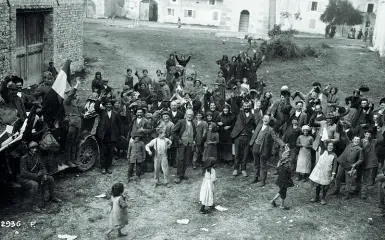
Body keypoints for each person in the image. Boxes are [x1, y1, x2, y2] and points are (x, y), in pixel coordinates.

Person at [19, 141, 62, 212]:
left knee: (50, 178)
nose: (34, 150)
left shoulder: (37, 157)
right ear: (29, 149)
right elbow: (24, 173)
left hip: (36, 176)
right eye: (32, 148)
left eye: (35, 148)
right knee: (34, 184)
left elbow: (43, 167)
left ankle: (52, 197)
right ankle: (34, 205)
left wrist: (44, 174)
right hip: (25, 179)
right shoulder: (24, 158)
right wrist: (37, 176)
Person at [250, 114, 286, 186]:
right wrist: (251, 143)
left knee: (263, 164)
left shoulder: (270, 129)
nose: (266, 120)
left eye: (267, 119)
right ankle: (255, 177)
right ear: (262, 119)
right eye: (265, 118)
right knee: (256, 163)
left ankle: (262, 181)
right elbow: (255, 135)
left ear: (269, 121)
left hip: (263, 149)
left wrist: (283, 144)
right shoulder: (259, 126)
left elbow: (276, 138)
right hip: (255, 146)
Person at [95, 98, 123, 174]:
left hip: (112, 136)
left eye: (110, 104)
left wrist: (121, 134)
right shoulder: (102, 112)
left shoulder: (115, 114)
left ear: (112, 105)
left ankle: (108, 167)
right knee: (103, 152)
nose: (108, 106)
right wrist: (99, 99)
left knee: (110, 153)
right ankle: (103, 167)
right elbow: (96, 107)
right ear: (105, 106)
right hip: (103, 136)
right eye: (107, 104)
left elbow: (119, 124)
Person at [331, 135, 364, 199]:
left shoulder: (359, 149)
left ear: (359, 141)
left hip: (350, 166)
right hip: (342, 163)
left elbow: (361, 159)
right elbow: (345, 136)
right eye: (355, 139)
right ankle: (336, 189)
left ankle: (347, 194)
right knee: (338, 177)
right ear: (352, 140)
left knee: (348, 180)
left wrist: (355, 164)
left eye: (358, 140)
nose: (356, 141)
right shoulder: (348, 144)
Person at [231, 102, 256, 177]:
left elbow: (254, 125)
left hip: (247, 137)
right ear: (242, 107)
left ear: (250, 107)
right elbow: (234, 107)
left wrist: (253, 130)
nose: (246, 107)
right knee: (237, 153)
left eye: (248, 106)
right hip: (238, 136)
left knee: (245, 154)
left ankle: (243, 169)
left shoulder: (252, 115)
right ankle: (235, 169)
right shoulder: (239, 113)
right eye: (245, 106)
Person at [172, 109, 196, 183]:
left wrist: (193, 140)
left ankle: (183, 174)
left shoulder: (192, 123)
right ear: (185, 115)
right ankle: (178, 176)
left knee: (186, 160)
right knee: (181, 159)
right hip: (182, 143)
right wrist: (178, 139)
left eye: (191, 115)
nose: (190, 116)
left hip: (189, 144)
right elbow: (173, 131)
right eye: (188, 114)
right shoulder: (181, 122)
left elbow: (194, 132)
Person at [359, 129, 383, 199]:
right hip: (359, 162)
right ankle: (356, 190)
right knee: (358, 177)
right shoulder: (359, 141)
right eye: (366, 134)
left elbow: (381, 139)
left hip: (368, 163)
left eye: (369, 135)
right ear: (364, 134)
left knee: (365, 179)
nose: (368, 136)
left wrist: (378, 131)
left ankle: (363, 193)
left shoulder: (373, 141)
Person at [63, 79, 82, 167]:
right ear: (66, 94)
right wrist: (77, 84)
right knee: (69, 143)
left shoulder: (73, 102)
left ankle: (74, 160)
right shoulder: (66, 101)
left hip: (77, 123)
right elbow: (71, 95)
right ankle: (68, 160)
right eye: (68, 92)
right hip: (71, 124)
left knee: (75, 142)